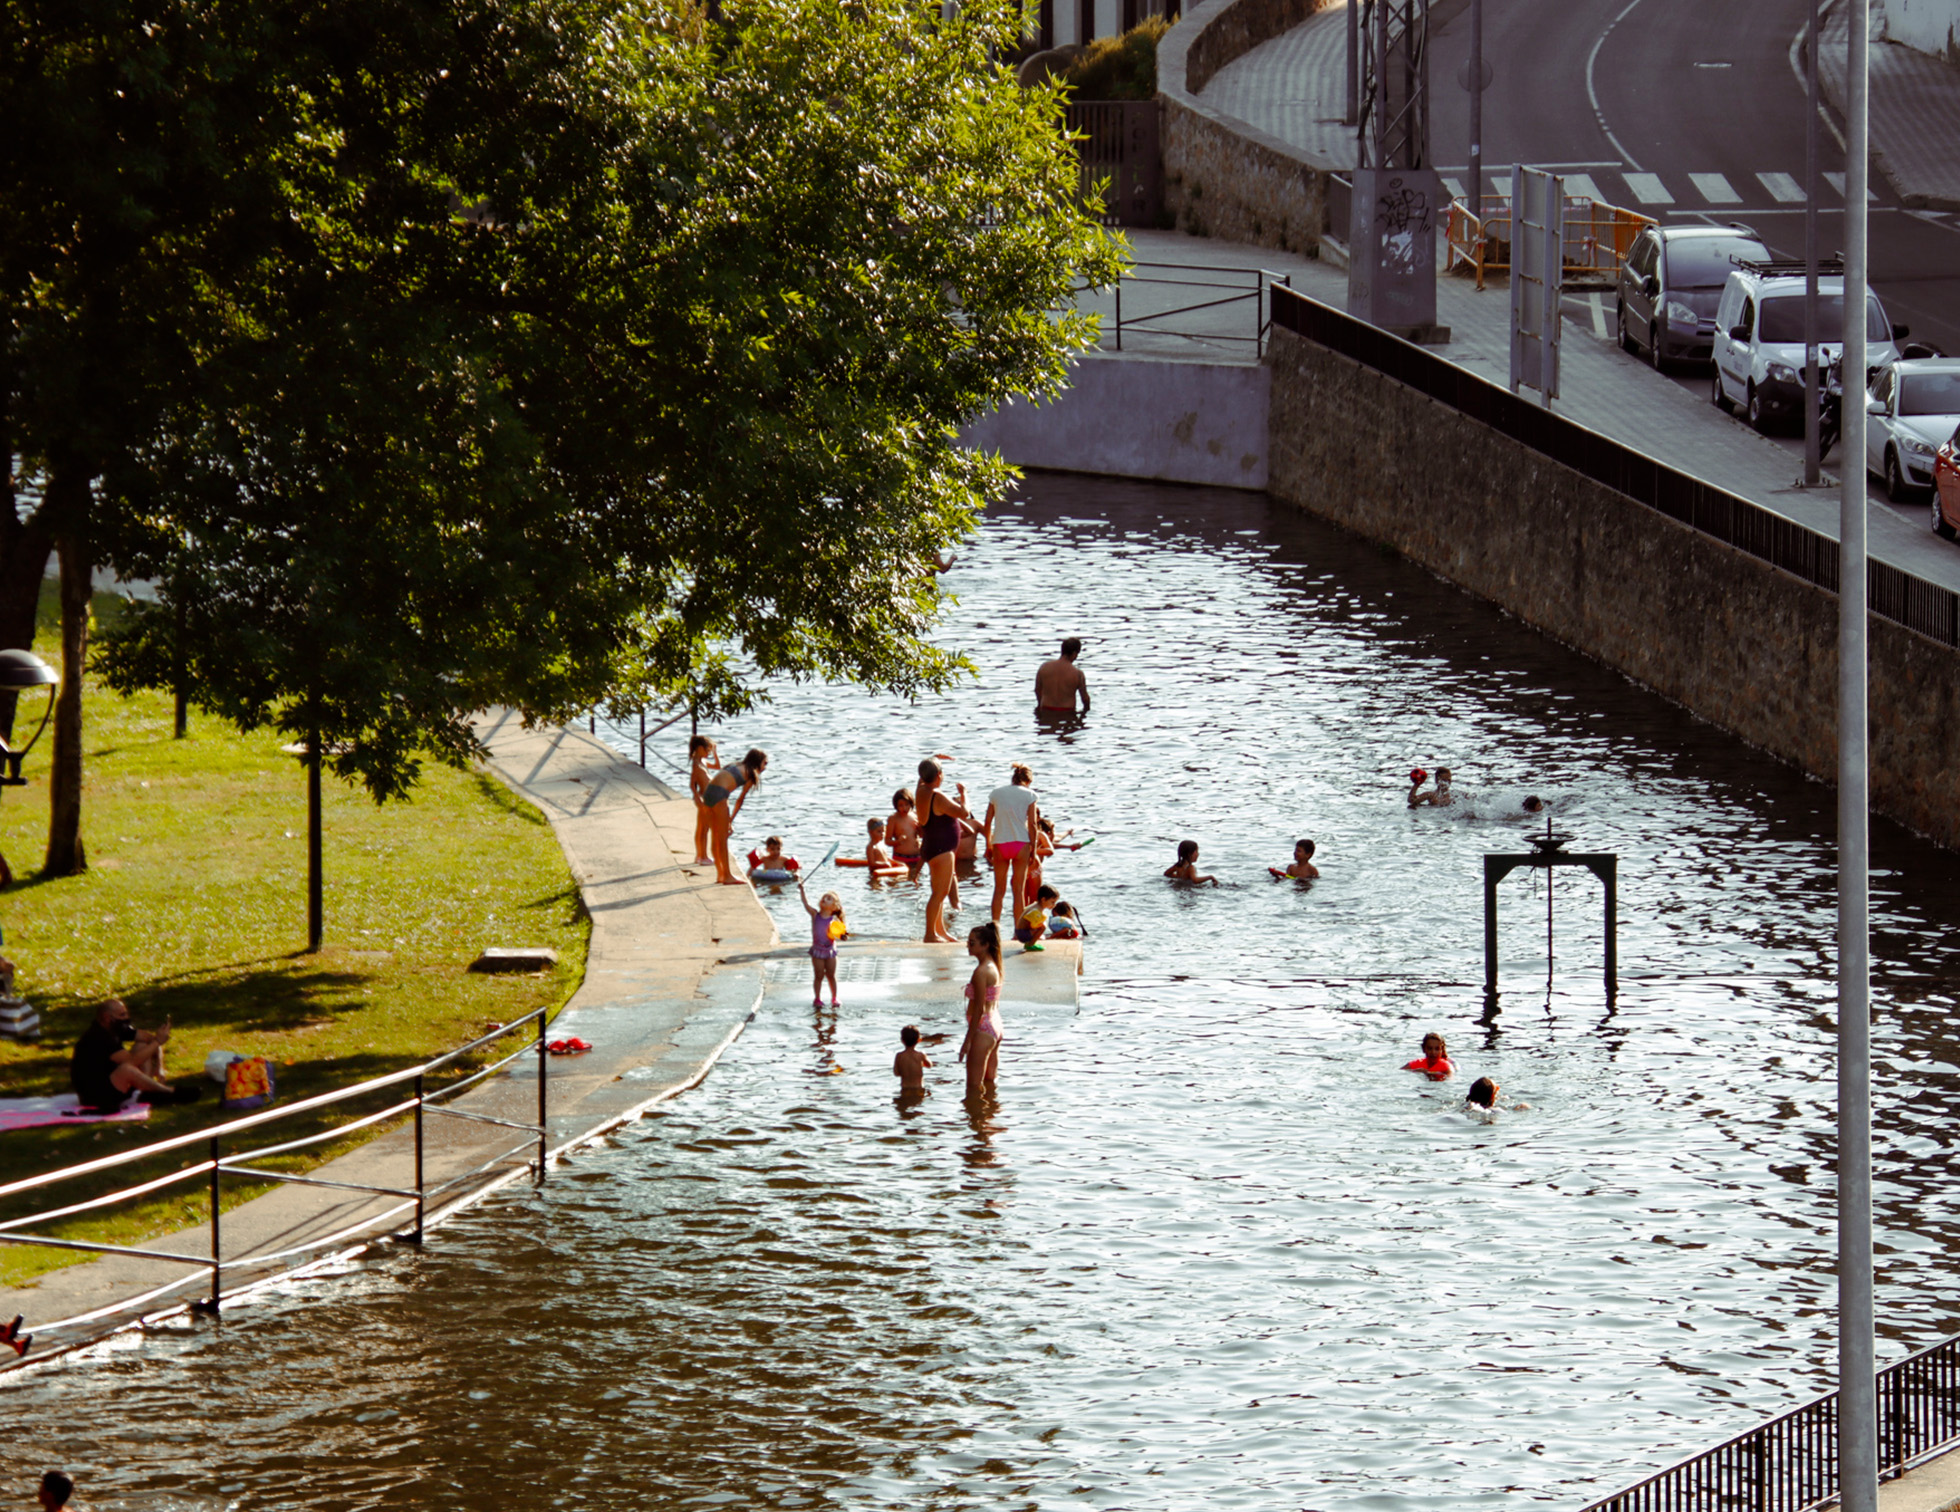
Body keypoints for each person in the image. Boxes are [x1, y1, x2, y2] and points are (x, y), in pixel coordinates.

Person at [71, 999, 198, 1111]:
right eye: (122, 1015)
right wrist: (158, 1041)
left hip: (111, 1081)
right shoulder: (98, 1037)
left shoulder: (116, 1028)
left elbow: (149, 1039)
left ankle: (147, 1092)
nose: (126, 1018)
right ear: (107, 1017)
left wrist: (160, 1068)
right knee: (127, 1069)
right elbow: (132, 1061)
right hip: (95, 1094)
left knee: (142, 1046)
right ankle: (171, 1093)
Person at [916, 758, 973, 944]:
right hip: (941, 849)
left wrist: (936, 758)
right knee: (940, 893)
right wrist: (964, 793)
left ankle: (939, 930)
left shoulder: (920, 790)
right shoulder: (937, 796)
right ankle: (930, 934)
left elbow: (924, 773)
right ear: (939, 776)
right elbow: (964, 812)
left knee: (939, 891)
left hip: (931, 846)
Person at [984, 764, 1041, 925]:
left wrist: (987, 844)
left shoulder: (996, 794)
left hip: (1000, 843)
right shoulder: (1030, 795)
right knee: (1018, 891)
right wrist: (1034, 851)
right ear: (1028, 780)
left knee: (999, 891)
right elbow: (1033, 825)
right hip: (1021, 843)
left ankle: (994, 928)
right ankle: (1018, 931)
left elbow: (987, 822)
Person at [701, 748, 768, 885]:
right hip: (720, 795)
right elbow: (740, 800)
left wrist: (728, 821)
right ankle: (727, 875)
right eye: (765, 763)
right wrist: (730, 820)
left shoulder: (735, 765)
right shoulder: (751, 773)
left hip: (708, 793)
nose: (765, 767)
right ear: (758, 762)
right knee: (722, 839)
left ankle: (720, 874)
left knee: (716, 836)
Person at [958, 922, 1005, 1097]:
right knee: (990, 1083)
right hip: (995, 1024)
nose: (967, 946)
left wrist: (967, 1040)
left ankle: (976, 1121)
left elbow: (978, 1009)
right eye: (968, 942)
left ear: (985, 945)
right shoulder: (994, 966)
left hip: (983, 1028)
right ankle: (990, 1119)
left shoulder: (981, 971)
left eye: (972, 943)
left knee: (973, 1089)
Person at [795, 878, 846, 1008]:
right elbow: (805, 904)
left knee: (831, 975)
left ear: (834, 907)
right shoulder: (815, 915)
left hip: (830, 951)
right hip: (817, 950)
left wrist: (842, 935)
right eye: (824, 897)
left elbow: (839, 934)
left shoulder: (834, 920)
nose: (825, 899)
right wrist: (802, 890)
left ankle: (834, 997)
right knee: (818, 975)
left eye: (829, 898)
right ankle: (817, 998)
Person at [1034, 637, 1090, 714]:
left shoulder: (1044, 668)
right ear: (1074, 653)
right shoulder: (1078, 674)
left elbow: (1037, 690)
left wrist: (1040, 707)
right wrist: (1085, 714)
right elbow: (1085, 699)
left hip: (1046, 711)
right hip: (1067, 713)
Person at [687, 734, 719, 867]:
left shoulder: (703, 762)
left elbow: (717, 766)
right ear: (700, 748)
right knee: (703, 828)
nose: (709, 753)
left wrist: (715, 753)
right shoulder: (696, 765)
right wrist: (696, 796)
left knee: (702, 827)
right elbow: (692, 783)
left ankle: (700, 855)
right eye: (707, 750)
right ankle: (703, 855)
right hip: (704, 798)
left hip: (709, 797)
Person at [892, 1024, 932, 1096]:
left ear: (902, 1040)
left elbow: (896, 1073)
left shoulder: (899, 1056)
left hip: (905, 1089)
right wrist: (922, 1063)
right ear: (919, 1040)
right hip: (919, 1088)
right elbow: (929, 1065)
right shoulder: (920, 1055)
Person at [886, 788, 922, 864]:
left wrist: (920, 828)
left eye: (907, 804)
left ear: (911, 803)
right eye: (901, 805)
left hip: (917, 857)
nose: (904, 808)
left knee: (916, 875)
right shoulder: (893, 819)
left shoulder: (916, 815)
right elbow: (887, 841)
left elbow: (922, 835)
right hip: (900, 858)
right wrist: (898, 842)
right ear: (896, 806)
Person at [1464, 1076, 1529, 1116]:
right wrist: (1517, 1110)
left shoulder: (1468, 1106)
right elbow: (1507, 1114)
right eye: (1496, 1088)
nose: (1498, 1089)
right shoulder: (1496, 1110)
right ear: (1492, 1096)